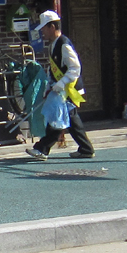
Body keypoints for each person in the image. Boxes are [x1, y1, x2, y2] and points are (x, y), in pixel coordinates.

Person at [25, 10, 95, 160]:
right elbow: (54, 68)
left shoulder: (63, 45)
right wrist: (50, 85)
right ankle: (86, 148)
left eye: (44, 28)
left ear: (52, 27)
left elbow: (75, 68)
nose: (42, 31)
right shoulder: (53, 45)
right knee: (70, 121)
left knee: (58, 120)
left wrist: (62, 83)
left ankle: (42, 148)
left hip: (69, 90)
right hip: (61, 89)